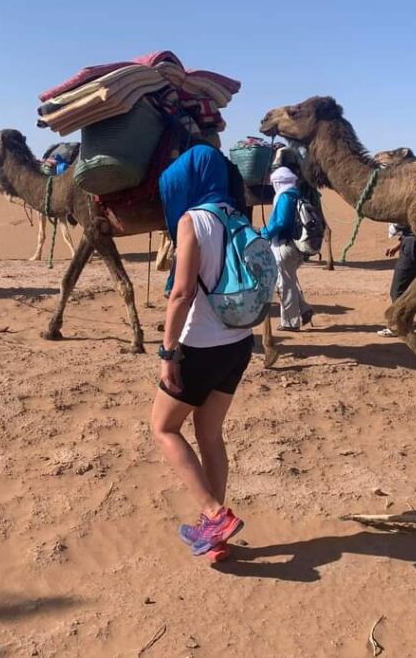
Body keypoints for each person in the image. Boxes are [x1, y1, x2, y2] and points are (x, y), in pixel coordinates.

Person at [153, 144, 252, 563]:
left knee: (163, 428)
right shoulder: (238, 216)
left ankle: (214, 514)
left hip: (202, 344)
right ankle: (217, 538)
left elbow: (181, 292)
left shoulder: (192, 220)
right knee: (209, 435)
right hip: (239, 342)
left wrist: (167, 352)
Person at [260, 166, 313, 330]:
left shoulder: (284, 197)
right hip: (297, 245)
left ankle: (290, 323)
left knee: (285, 283)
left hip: (285, 245)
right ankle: (304, 309)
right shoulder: (297, 195)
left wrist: (263, 234)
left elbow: (280, 222)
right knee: (287, 279)